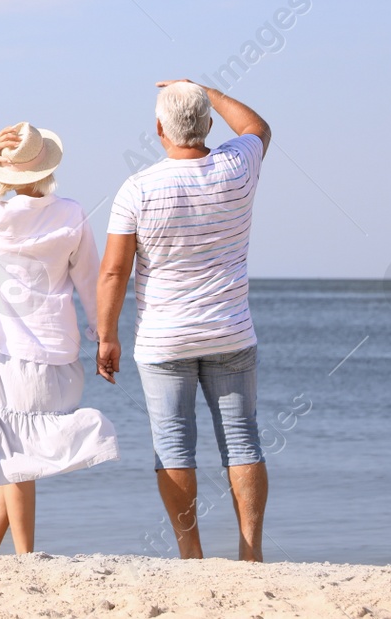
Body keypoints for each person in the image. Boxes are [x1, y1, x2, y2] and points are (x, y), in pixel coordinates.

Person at [95, 80, 272, 561]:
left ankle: (190, 554)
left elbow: (114, 270)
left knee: (173, 444)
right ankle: (251, 552)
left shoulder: (137, 188)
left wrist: (105, 337)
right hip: (230, 330)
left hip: (163, 339)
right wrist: (205, 89)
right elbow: (256, 126)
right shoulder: (238, 166)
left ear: (158, 129)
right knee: (241, 438)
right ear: (209, 124)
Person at [0, 122, 119, 555]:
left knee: (13, 455)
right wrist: (105, 337)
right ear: (46, 168)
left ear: (6, 168)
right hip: (54, 350)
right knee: (9, 449)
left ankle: (26, 557)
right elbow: (91, 282)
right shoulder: (71, 214)